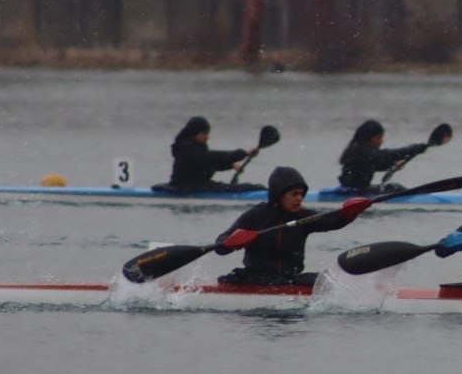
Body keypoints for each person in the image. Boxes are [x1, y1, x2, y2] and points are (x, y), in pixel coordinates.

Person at [215, 166, 370, 286]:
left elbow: (331, 221)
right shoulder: (255, 216)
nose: (299, 199)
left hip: (290, 279)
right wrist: (231, 243)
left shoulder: (303, 217)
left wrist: (349, 213)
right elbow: (220, 245)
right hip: (256, 280)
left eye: (301, 194)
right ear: (279, 195)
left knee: (329, 279)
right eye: (294, 194)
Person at [165, 116, 258, 192]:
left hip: (195, 186)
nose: (208, 137)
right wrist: (243, 153)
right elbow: (210, 157)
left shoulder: (195, 147)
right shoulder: (186, 148)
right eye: (205, 133)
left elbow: (206, 163)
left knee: (253, 187)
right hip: (186, 188)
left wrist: (231, 165)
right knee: (252, 188)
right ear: (195, 132)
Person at [338, 119, 428, 193]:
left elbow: (376, 163)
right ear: (368, 138)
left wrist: (392, 164)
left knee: (392, 187)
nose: (381, 141)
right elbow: (389, 155)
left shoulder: (356, 149)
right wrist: (417, 148)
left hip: (352, 189)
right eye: (378, 138)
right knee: (395, 187)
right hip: (354, 192)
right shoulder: (363, 152)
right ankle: (421, 198)